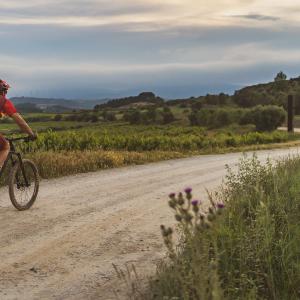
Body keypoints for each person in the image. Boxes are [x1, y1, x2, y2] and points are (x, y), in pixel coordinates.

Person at [0, 79, 36, 169]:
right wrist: (31, 134)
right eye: (5, 91)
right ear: (3, 91)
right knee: (5, 146)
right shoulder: (3, 101)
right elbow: (20, 121)